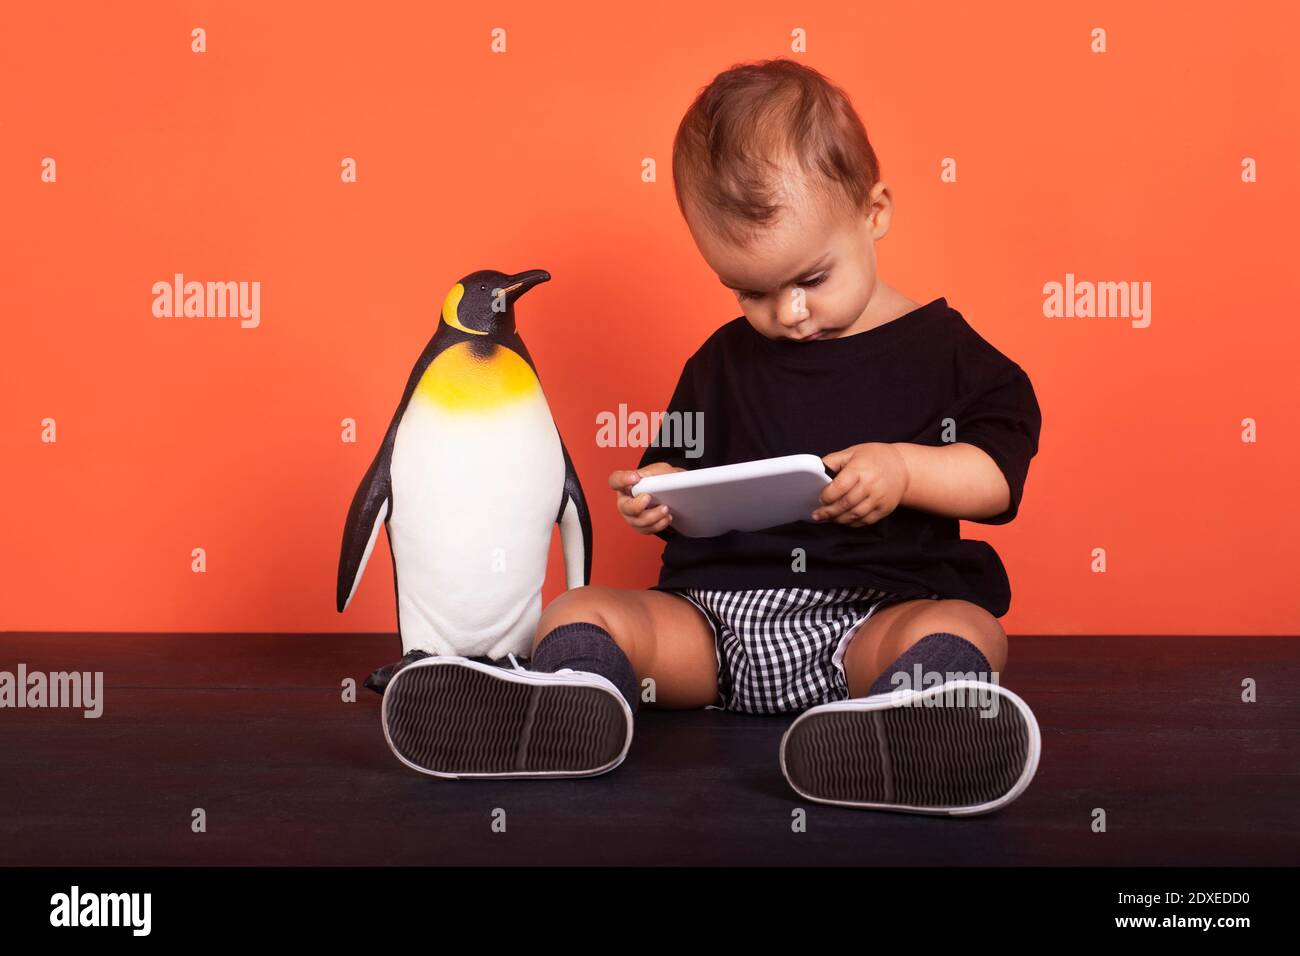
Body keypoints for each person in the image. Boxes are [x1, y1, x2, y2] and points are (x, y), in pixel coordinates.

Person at [379, 58, 1043, 816]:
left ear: (875, 211)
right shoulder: (720, 361)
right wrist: (654, 492)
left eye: (811, 279)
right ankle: (568, 707)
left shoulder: (947, 353)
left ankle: (906, 730)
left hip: (870, 620)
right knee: (579, 609)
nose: (787, 312)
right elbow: (678, 465)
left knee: (967, 627)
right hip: (711, 626)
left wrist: (905, 470)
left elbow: (996, 477)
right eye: (751, 292)